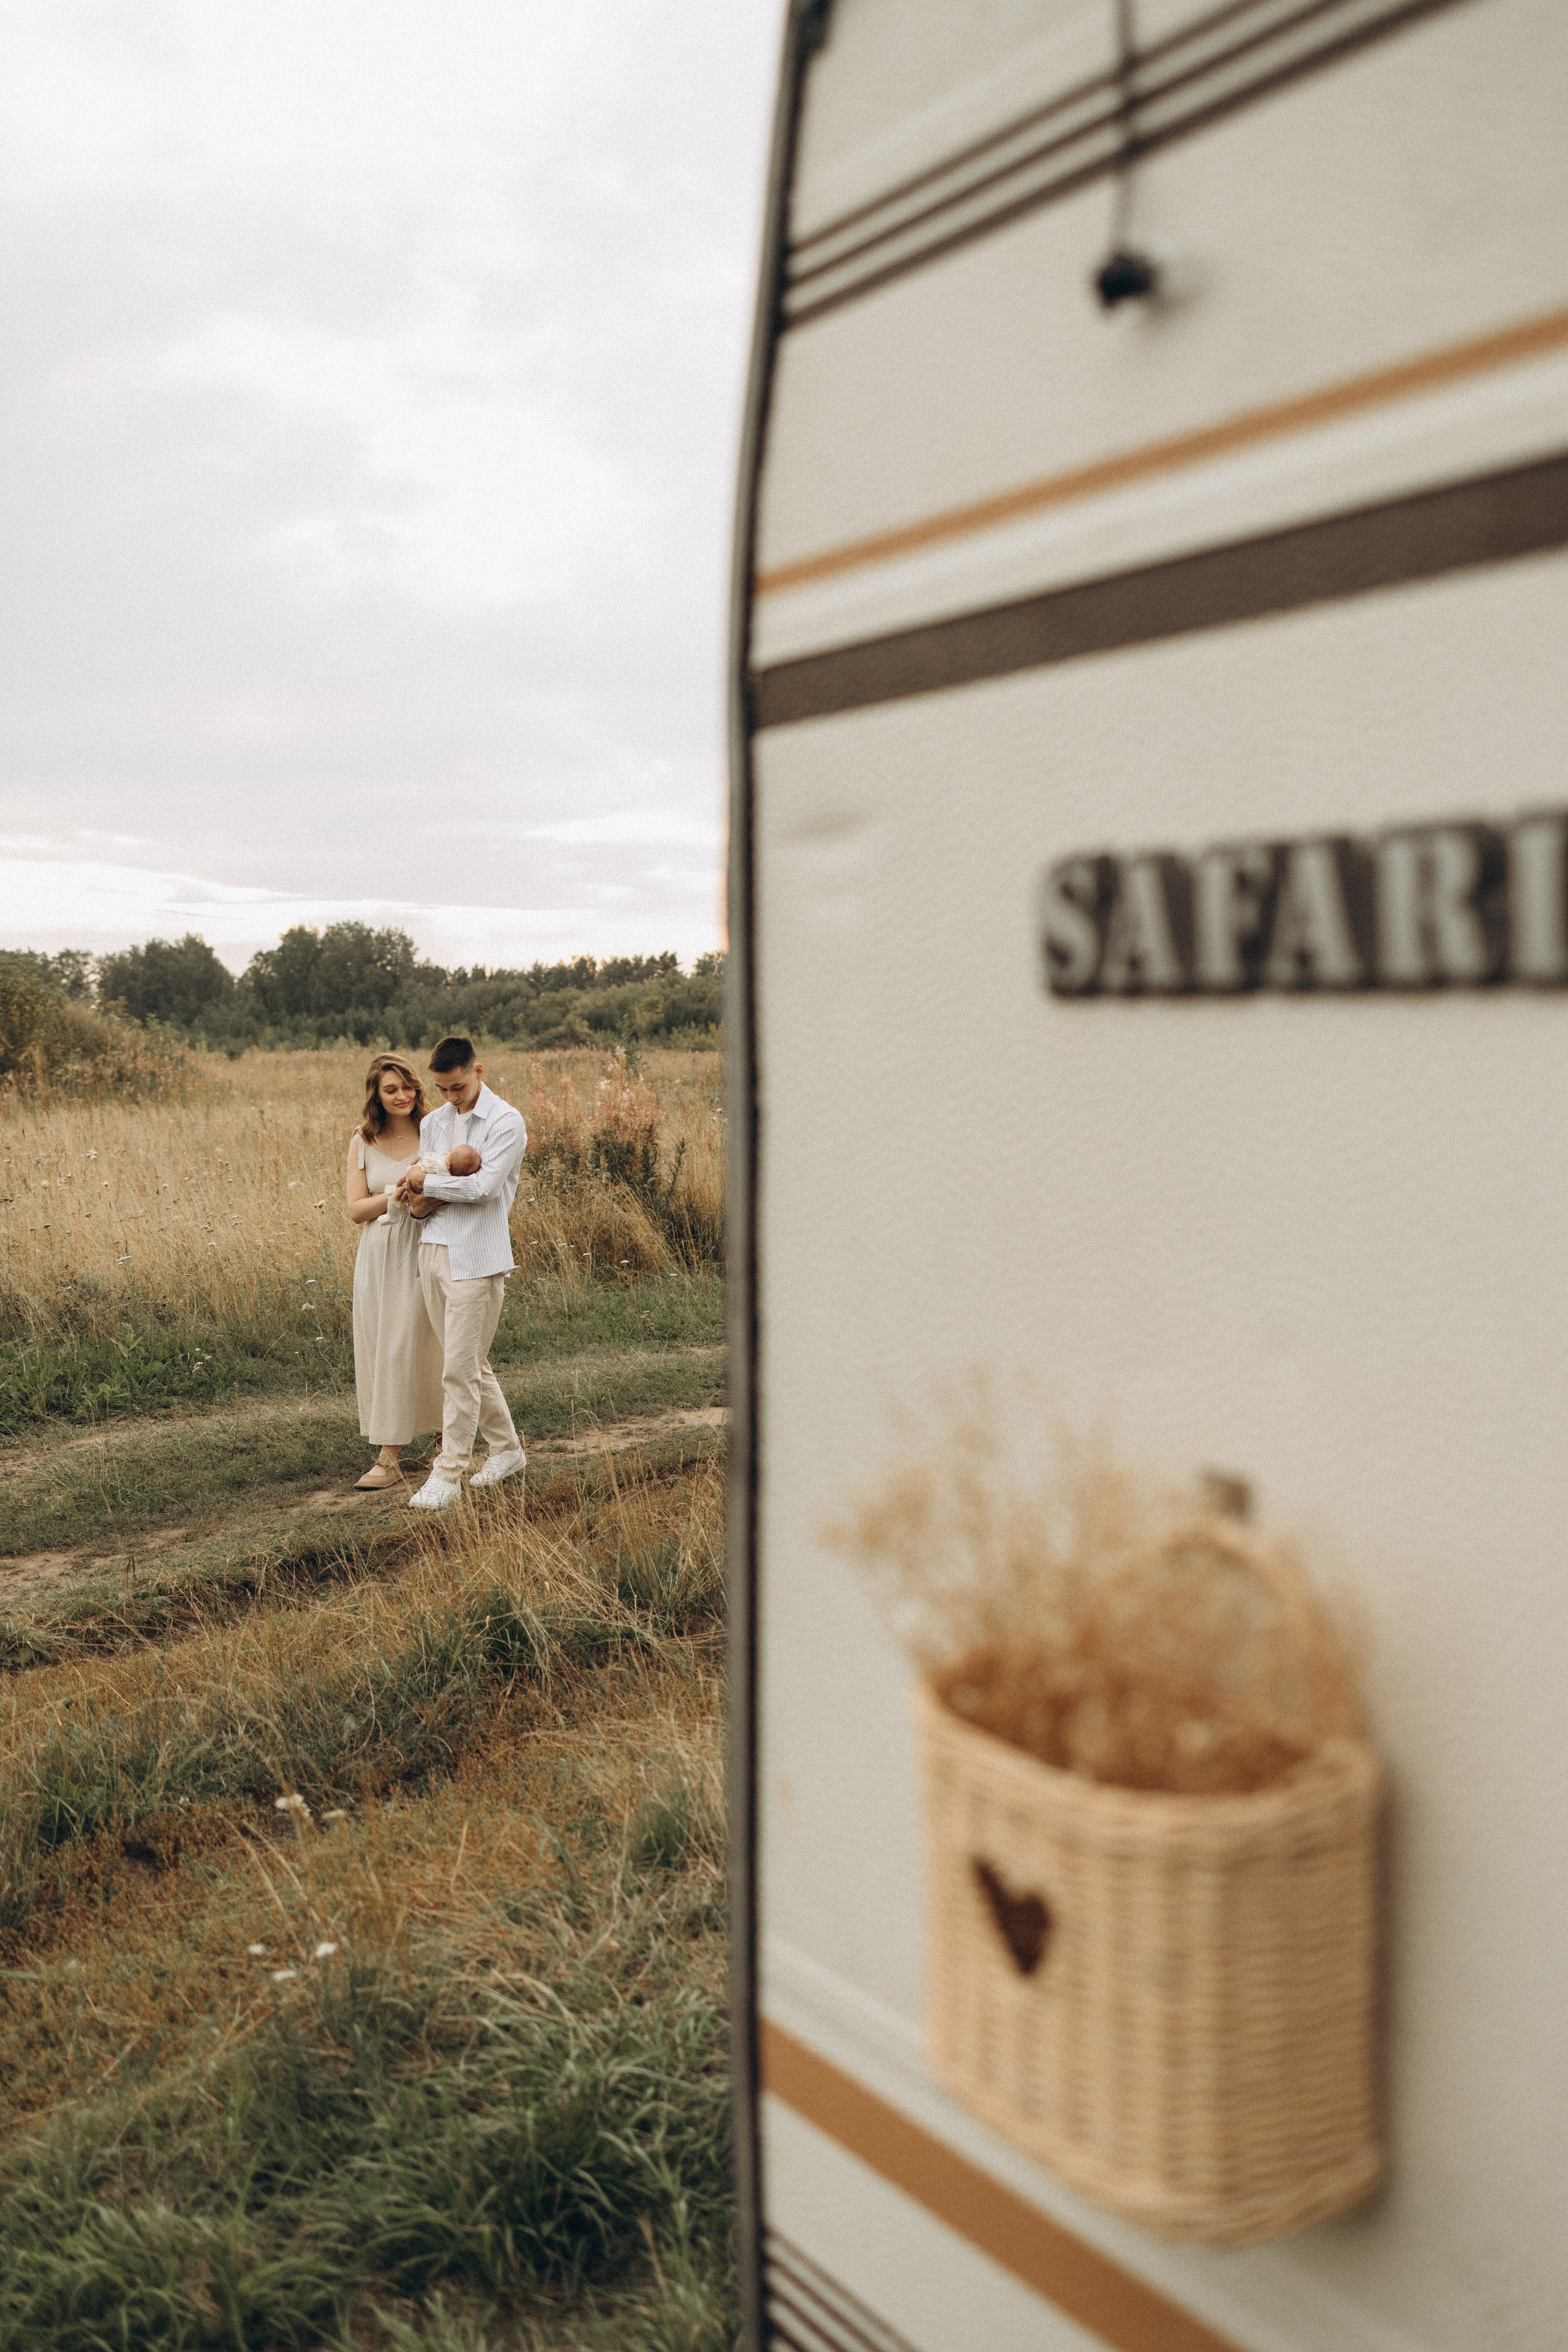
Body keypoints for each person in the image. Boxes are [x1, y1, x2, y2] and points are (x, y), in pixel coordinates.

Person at [398, 1035, 529, 1510]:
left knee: (458, 1370)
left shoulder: (506, 1121)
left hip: (477, 1258)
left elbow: (484, 1188)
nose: (451, 1098)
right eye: (443, 1089)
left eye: (457, 1087)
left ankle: (448, 1473)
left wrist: (424, 1183)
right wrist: (419, 1199)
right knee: (470, 1363)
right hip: (432, 1248)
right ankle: (509, 1451)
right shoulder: (434, 1122)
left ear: (479, 1071)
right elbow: (421, 1193)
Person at [345, 1052, 445, 1490]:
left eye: (408, 1087)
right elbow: (355, 1210)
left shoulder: (437, 1130)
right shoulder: (362, 1139)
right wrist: (394, 1195)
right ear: (377, 1095)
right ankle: (392, 1453)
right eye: (391, 1089)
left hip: (429, 1242)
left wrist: (423, 1193)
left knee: (433, 1342)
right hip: (381, 1253)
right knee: (387, 1345)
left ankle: (439, 1446)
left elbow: (455, 1184)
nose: (402, 1096)